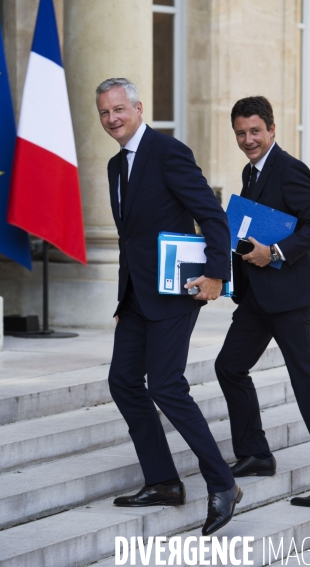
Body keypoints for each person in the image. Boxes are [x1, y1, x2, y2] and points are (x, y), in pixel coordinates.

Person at [96, 77, 242, 535]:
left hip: (179, 290)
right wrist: (125, 297)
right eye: (104, 113)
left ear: (138, 108)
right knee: (122, 380)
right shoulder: (114, 166)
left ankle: (223, 483)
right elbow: (130, 239)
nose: (112, 118)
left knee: (166, 385)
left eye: (119, 109)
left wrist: (218, 273)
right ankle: (162, 480)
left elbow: (211, 213)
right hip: (138, 295)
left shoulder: (168, 151)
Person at [215, 96, 310, 508]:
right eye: (241, 133)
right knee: (229, 366)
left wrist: (273, 252)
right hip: (257, 298)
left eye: (255, 131)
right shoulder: (250, 171)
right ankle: (256, 453)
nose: (248, 140)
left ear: (272, 129)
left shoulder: (290, 168)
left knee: (307, 386)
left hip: (291, 299)